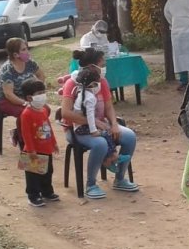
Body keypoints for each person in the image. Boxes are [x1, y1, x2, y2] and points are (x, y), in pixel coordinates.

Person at [61, 48, 138, 199]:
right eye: (102, 63)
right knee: (100, 144)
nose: (104, 67)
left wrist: (114, 124)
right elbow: (66, 113)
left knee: (129, 137)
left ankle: (120, 178)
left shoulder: (102, 82)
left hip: (100, 126)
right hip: (78, 129)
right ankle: (90, 185)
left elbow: (109, 107)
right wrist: (94, 122)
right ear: (91, 66)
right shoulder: (72, 83)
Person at [72, 67, 131, 172]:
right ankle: (109, 160)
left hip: (83, 126)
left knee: (106, 132)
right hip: (82, 128)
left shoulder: (83, 92)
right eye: (98, 82)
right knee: (105, 134)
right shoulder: (90, 98)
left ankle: (112, 156)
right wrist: (94, 131)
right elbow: (90, 116)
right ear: (93, 84)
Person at [0, 37, 46, 146]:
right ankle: (23, 141)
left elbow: (41, 75)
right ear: (15, 54)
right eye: (24, 50)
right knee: (24, 112)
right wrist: (26, 103)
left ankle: (37, 136)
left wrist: (37, 90)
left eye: (26, 48)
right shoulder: (7, 70)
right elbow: (9, 94)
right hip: (6, 100)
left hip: (25, 96)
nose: (27, 52)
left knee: (45, 109)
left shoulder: (30, 63)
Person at [20, 78, 59, 207]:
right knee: (33, 176)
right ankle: (33, 196)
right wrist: (31, 150)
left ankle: (47, 192)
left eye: (43, 92)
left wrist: (54, 143)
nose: (42, 95)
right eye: (39, 93)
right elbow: (26, 134)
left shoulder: (43, 110)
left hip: (46, 148)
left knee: (48, 172)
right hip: (33, 151)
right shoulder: (26, 114)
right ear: (29, 97)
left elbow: (48, 127)